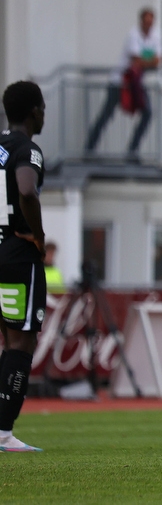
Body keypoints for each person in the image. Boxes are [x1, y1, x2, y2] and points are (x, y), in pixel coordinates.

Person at [0, 80, 48, 451]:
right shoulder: (27, 150)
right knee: (20, 341)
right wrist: (35, 232)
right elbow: (27, 190)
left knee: (6, 339)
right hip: (18, 257)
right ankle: (3, 433)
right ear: (34, 112)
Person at [85, 7, 162, 158]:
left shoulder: (156, 36)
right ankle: (89, 149)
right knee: (106, 116)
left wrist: (144, 61)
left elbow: (158, 61)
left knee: (147, 113)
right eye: (146, 23)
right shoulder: (133, 35)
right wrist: (149, 61)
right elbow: (136, 61)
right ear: (141, 22)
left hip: (135, 83)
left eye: (150, 23)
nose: (148, 26)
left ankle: (132, 151)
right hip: (119, 82)